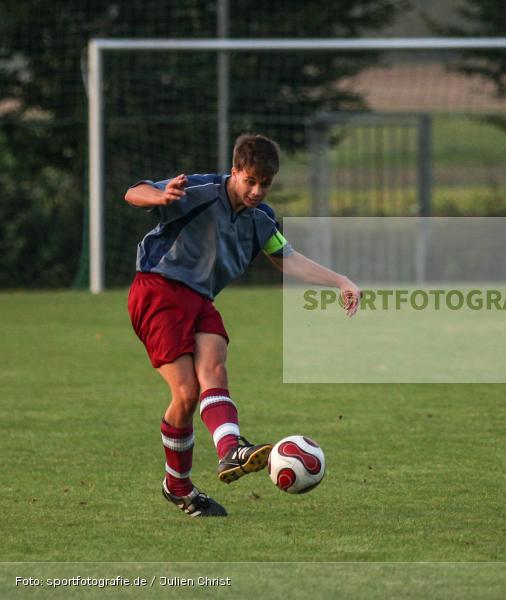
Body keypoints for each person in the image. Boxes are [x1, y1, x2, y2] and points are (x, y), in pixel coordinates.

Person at [125, 133, 361, 517]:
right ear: (234, 171)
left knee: (215, 367)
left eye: (264, 183)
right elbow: (133, 192)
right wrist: (159, 196)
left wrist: (340, 280)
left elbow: (288, 259)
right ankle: (177, 486)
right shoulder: (201, 190)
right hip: (158, 290)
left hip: (200, 299)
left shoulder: (260, 219)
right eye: (250, 181)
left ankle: (230, 450)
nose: (256, 191)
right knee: (186, 394)